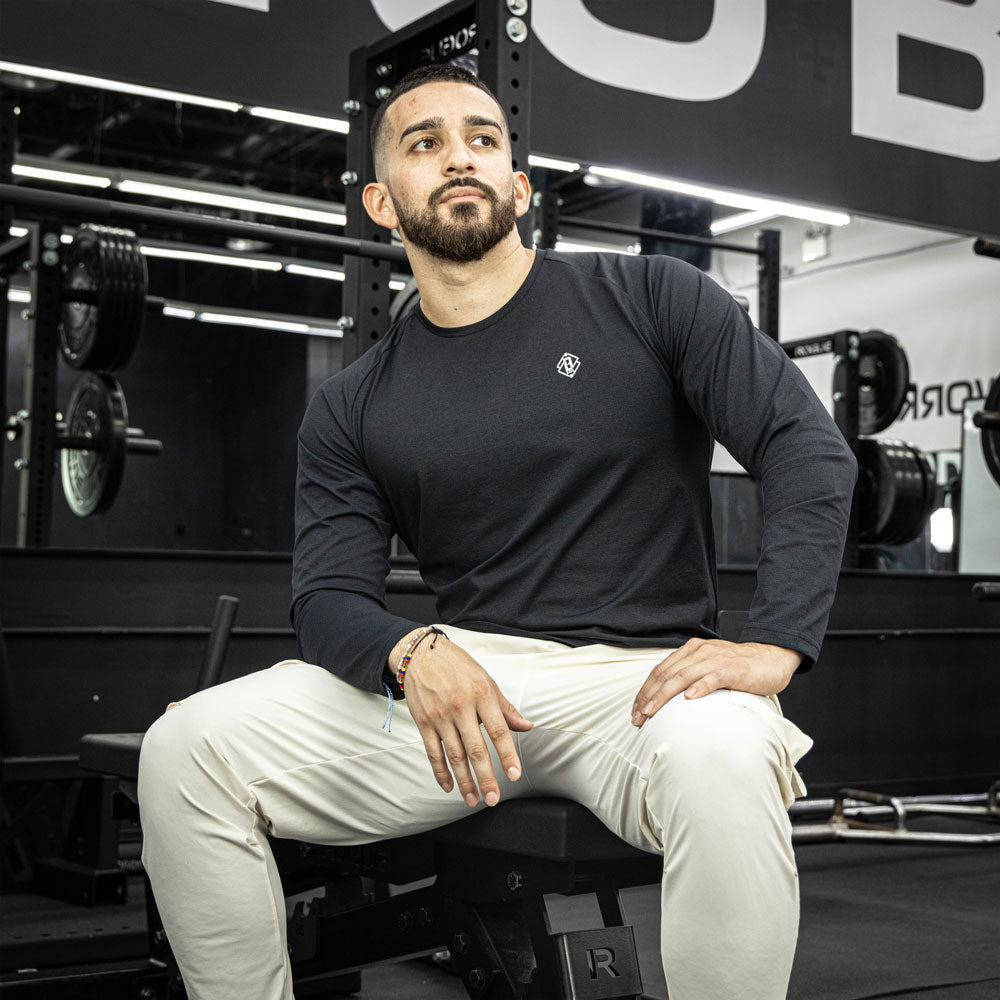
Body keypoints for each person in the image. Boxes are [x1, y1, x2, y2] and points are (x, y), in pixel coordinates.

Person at [138, 63, 857, 1000]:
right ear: (381, 204)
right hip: (466, 690)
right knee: (186, 749)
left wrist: (777, 641)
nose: (459, 157)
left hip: (640, 686)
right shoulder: (353, 405)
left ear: (518, 188)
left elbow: (805, 446)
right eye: (425, 142)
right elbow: (328, 600)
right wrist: (412, 652)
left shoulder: (652, 298)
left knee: (726, 753)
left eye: (482, 139)